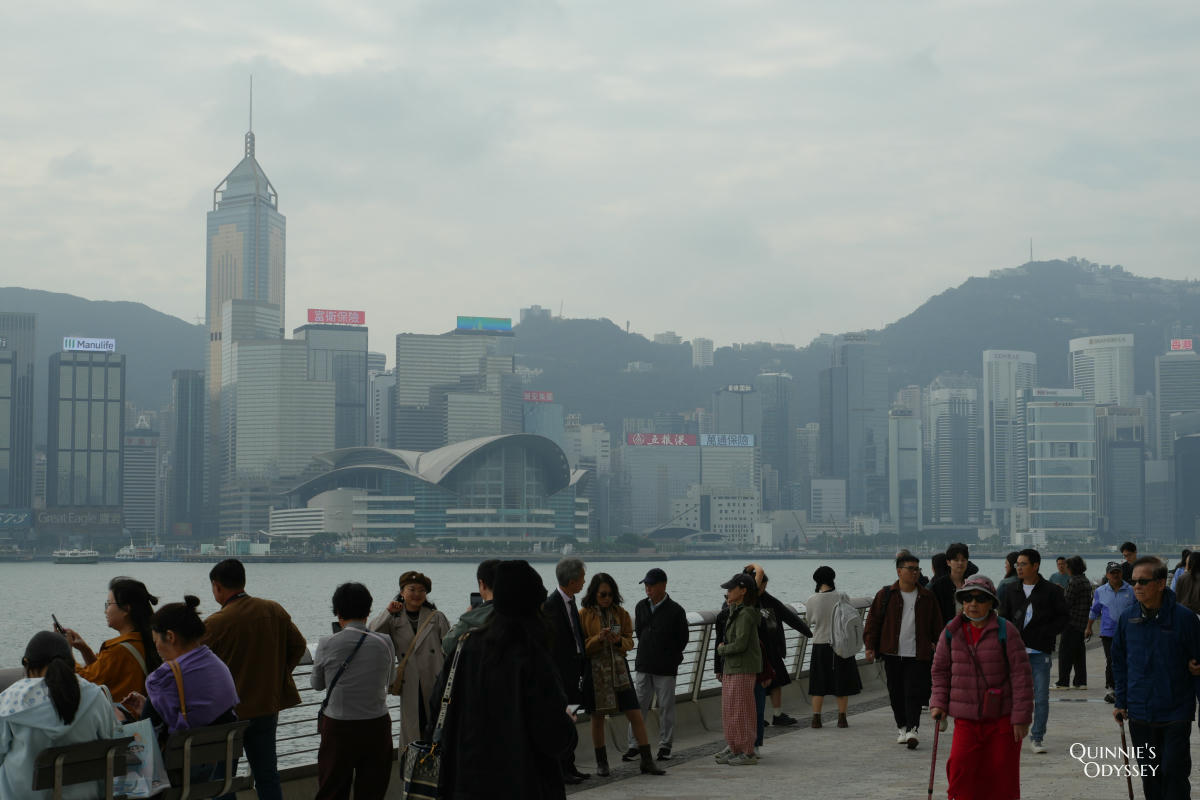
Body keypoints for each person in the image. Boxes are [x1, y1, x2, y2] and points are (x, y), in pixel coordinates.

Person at [433, 559, 578, 800]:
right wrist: (568, 721)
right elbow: (554, 736)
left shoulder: (465, 647)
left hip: (465, 782)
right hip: (523, 783)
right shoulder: (532, 656)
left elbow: (438, 709)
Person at [205, 558, 306, 800]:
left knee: (222, 779)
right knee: (267, 775)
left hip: (228, 713)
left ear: (217, 586)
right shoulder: (273, 609)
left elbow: (197, 665)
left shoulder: (216, 622)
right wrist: (278, 674)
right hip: (266, 706)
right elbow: (299, 645)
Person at [930, 576, 1033, 800]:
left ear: (991, 603)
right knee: (960, 770)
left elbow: (1021, 677)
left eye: (979, 599)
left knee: (1002, 778)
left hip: (1002, 721)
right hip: (966, 721)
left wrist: (1021, 717)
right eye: (967, 599)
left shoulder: (1007, 631)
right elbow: (940, 671)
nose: (973, 604)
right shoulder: (951, 631)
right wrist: (938, 703)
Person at [1112, 556, 1200, 800]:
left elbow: (1198, 661)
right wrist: (1121, 701)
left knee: (1174, 772)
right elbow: (1119, 663)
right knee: (1150, 776)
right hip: (1140, 713)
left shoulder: (1184, 619)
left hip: (1176, 712)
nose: (1136, 586)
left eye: (1143, 581)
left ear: (1161, 583)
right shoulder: (1127, 619)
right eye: (1134, 582)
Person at [0, 631, 119, 800]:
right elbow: (112, 741)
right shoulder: (96, 697)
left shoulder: (10, 701)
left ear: (27, 663)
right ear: (70, 663)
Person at [311, 582, 396, 800]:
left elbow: (317, 684)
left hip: (339, 726)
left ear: (337, 611)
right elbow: (391, 680)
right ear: (368, 611)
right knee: (372, 790)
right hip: (377, 724)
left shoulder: (327, 643)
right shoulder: (385, 642)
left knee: (333, 788)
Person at [578, 573, 665, 777]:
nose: (607, 598)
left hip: (619, 669)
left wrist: (618, 641)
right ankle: (602, 762)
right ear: (594, 594)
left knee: (634, 712)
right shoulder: (584, 614)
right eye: (603, 595)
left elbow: (629, 641)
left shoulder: (621, 614)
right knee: (597, 716)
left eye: (610, 594)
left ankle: (646, 760)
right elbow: (582, 647)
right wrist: (598, 639)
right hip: (595, 669)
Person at [121, 595, 239, 736]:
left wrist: (121, 718)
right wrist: (149, 705)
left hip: (186, 756)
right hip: (224, 754)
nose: (156, 648)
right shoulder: (219, 666)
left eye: (156, 641)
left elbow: (146, 735)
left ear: (170, 637)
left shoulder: (162, 678)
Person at [863, 550, 943, 749]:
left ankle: (912, 729)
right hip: (892, 653)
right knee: (895, 692)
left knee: (913, 692)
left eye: (917, 569)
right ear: (899, 571)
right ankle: (901, 727)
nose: (915, 573)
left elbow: (937, 624)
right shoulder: (886, 595)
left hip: (918, 654)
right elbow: (873, 622)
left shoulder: (927, 596)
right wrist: (870, 647)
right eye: (910, 569)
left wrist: (939, 645)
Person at [998, 548, 1068, 754]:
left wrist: (1047, 633)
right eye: (1016, 564)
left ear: (1035, 566)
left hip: (1040, 652)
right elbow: (1003, 618)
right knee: (1012, 695)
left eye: (1023, 564)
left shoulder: (1051, 591)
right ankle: (1012, 734)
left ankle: (1037, 737)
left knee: (1041, 696)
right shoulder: (1011, 590)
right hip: (1015, 653)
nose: (1018, 567)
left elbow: (1063, 617)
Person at [369, 570, 449, 750]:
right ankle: (411, 764)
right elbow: (372, 634)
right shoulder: (393, 618)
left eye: (421, 590)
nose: (417, 594)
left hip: (435, 678)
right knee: (412, 725)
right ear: (402, 592)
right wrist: (388, 612)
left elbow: (449, 647)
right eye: (411, 589)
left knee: (436, 721)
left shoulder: (436, 617)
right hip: (409, 680)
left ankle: (435, 763)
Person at [621, 567, 688, 763]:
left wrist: (669, 656)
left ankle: (665, 745)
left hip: (666, 667)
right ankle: (634, 745)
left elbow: (682, 639)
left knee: (666, 706)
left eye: (651, 585)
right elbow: (641, 632)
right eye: (646, 585)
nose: (648, 588)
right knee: (638, 706)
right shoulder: (641, 606)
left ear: (663, 585)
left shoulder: (676, 610)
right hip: (644, 664)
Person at [63, 577, 161, 702]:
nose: (105, 610)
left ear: (126, 608)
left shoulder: (119, 650)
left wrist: (66, 651)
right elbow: (104, 673)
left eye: (109, 604)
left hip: (123, 718)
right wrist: (85, 649)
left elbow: (84, 682)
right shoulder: (145, 639)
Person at [744, 564, 813, 727]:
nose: (763, 589)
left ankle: (777, 714)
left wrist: (808, 632)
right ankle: (757, 716)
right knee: (756, 686)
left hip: (772, 650)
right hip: (753, 650)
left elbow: (789, 617)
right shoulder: (746, 602)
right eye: (761, 586)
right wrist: (753, 568)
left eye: (765, 587)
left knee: (776, 683)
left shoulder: (770, 601)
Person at [542, 557, 591, 784]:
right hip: (560, 678)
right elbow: (552, 645)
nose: (584, 582)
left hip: (573, 676)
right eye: (581, 577)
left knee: (570, 721)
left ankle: (570, 765)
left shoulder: (571, 604)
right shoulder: (551, 605)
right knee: (562, 723)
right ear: (572, 581)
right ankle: (562, 769)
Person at [713, 573, 762, 766]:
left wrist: (722, 649)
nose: (727, 592)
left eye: (731, 589)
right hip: (732, 668)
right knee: (730, 710)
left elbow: (740, 644)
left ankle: (747, 751)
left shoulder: (746, 613)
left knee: (741, 710)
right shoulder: (735, 611)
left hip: (742, 667)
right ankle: (734, 748)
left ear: (743, 591)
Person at [804, 566, 861, 729]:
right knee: (841, 682)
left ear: (816, 580)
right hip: (841, 645)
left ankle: (816, 719)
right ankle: (842, 718)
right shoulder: (843, 597)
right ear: (832, 578)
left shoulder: (812, 600)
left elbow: (809, 621)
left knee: (818, 684)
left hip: (820, 645)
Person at [1086, 561, 1135, 704]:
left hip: (1127, 632)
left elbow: (1137, 609)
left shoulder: (1131, 590)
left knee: (1128, 660)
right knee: (1112, 660)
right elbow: (1094, 611)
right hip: (1108, 632)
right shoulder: (1100, 591)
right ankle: (1111, 688)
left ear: (1122, 574)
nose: (1115, 575)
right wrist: (1088, 628)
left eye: (1118, 572)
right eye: (1112, 573)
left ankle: (1126, 688)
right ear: (1107, 575)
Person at [442, 559, 500, 657]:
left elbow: (448, 646)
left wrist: (468, 615)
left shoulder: (471, 619)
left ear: (482, 584)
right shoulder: (525, 613)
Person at [1054, 556, 1091, 690]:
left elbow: (1066, 602)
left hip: (1071, 622)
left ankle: (1063, 682)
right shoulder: (1085, 580)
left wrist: (1059, 592)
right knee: (1078, 654)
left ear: (1071, 568)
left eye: (1068, 566)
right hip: (1081, 622)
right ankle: (1081, 681)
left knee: (1065, 653)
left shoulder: (1074, 581)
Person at [929, 543, 972, 628]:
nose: (960, 563)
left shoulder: (972, 584)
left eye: (963, 560)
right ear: (948, 562)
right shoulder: (938, 586)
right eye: (956, 560)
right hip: (946, 633)